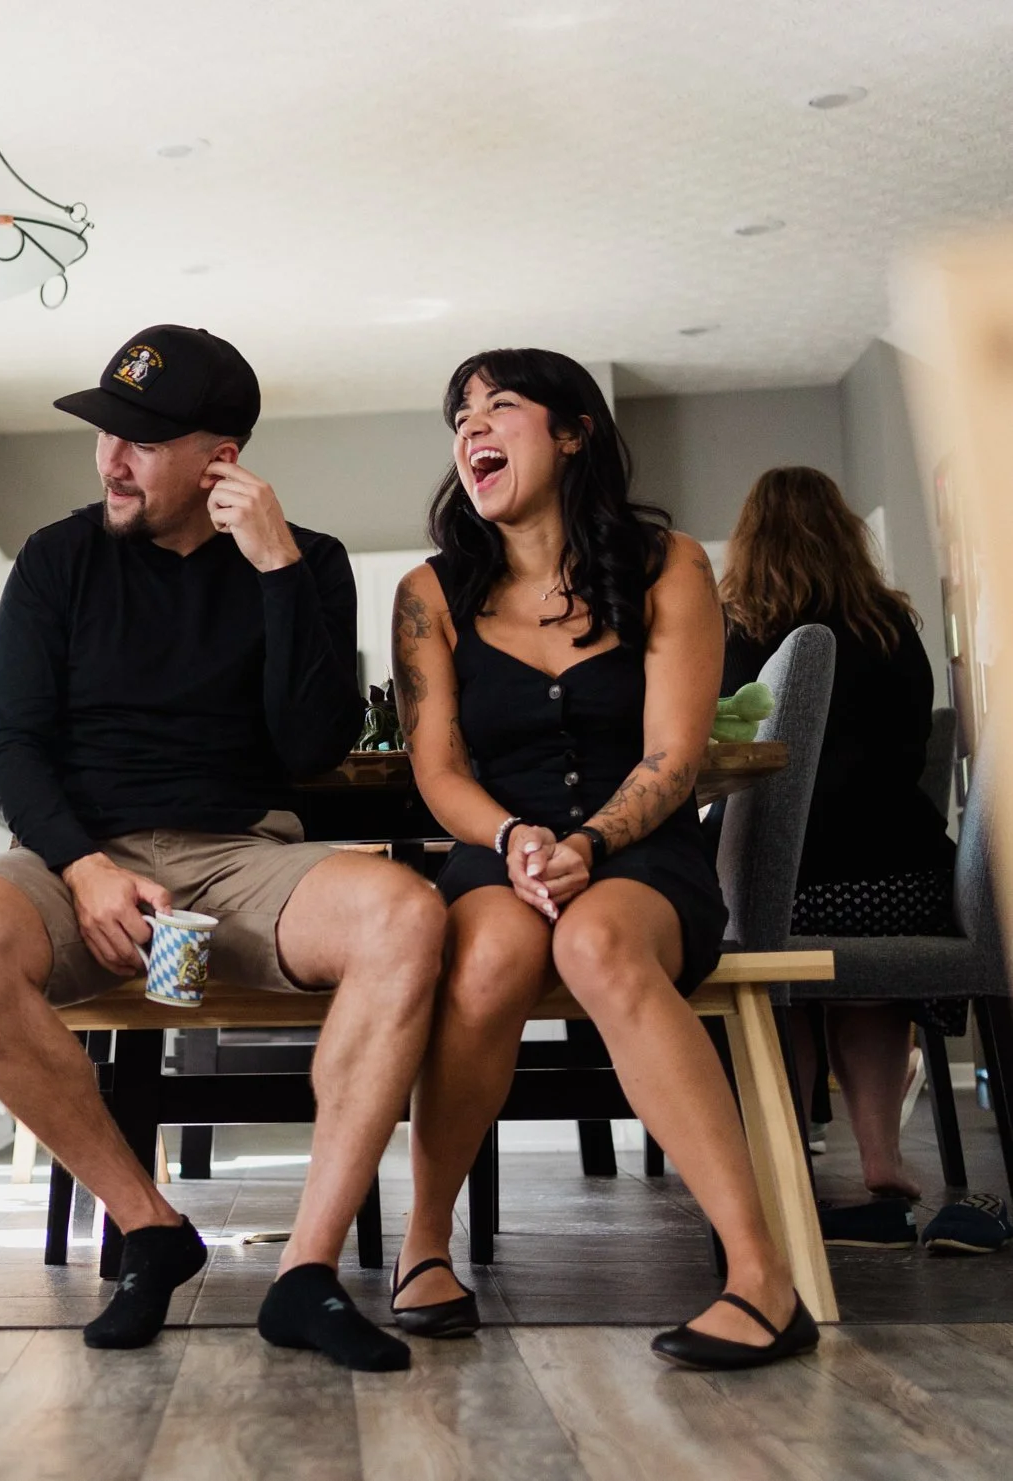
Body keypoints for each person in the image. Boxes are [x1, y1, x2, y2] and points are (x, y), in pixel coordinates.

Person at [0, 324, 446, 1370]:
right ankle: (150, 1226)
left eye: (143, 442)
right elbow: (9, 743)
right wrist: (83, 866)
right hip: (81, 856)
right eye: (105, 432)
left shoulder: (305, 561)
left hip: (243, 854)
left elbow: (311, 748)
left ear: (220, 459)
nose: (111, 459)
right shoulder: (57, 558)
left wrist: (278, 571)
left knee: (407, 913)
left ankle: (305, 1271)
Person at [389, 347, 815, 1369]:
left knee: (596, 943)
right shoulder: (428, 592)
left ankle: (761, 1278)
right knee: (485, 956)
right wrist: (512, 837)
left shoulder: (669, 564)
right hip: (497, 849)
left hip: (642, 853)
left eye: (498, 405)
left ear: (574, 431)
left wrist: (588, 842)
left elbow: (674, 755)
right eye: (459, 415)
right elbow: (437, 770)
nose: (470, 427)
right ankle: (423, 1246)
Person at [720, 467, 1004, 1253]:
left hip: (791, 886)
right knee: (866, 988)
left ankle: (785, 1161)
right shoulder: (892, 625)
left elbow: (727, 750)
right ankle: (882, 1155)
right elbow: (911, 751)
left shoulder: (741, 628)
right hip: (907, 882)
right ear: (846, 532)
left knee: (770, 972)